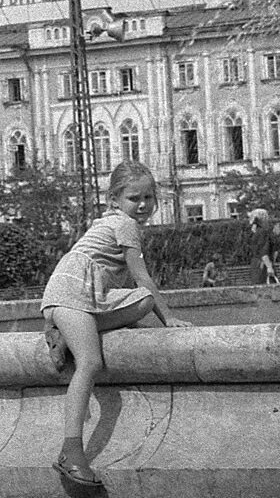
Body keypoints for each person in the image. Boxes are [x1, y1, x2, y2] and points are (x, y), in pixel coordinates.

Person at [39, 161, 191, 489]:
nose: (142, 205)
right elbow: (143, 277)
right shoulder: (124, 224)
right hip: (70, 293)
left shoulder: (113, 222)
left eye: (149, 197)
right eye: (134, 198)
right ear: (114, 200)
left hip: (86, 297)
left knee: (141, 302)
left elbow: (138, 291)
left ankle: (65, 332)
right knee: (91, 362)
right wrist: (170, 320)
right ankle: (70, 450)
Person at [247, 208, 278, 285]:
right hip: (263, 266)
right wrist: (269, 267)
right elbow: (263, 252)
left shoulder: (254, 233)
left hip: (255, 266)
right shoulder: (263, 232)